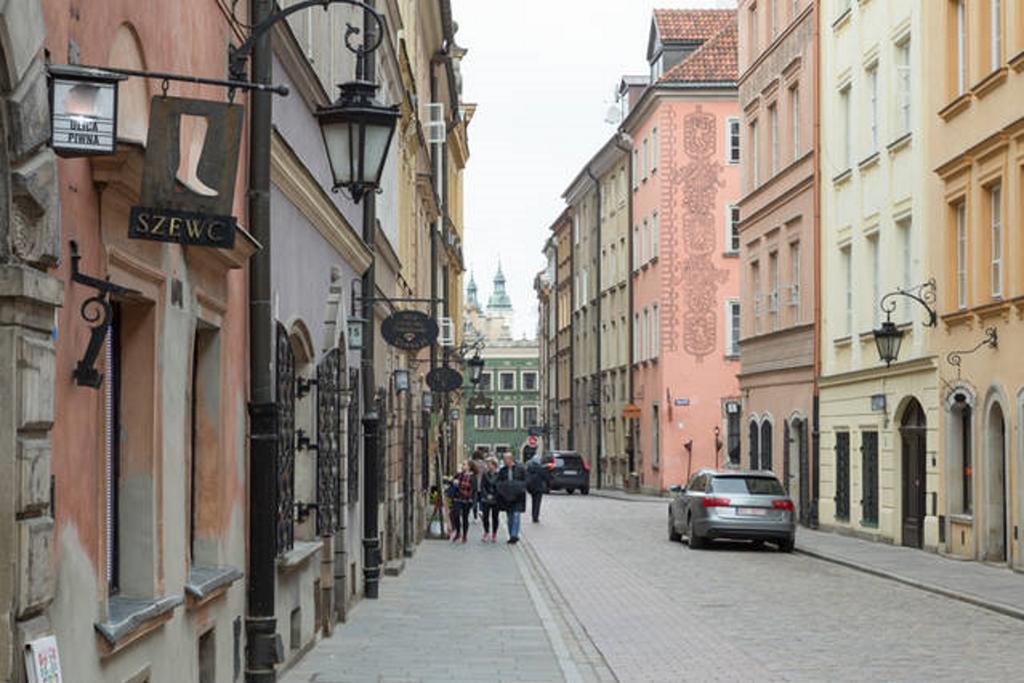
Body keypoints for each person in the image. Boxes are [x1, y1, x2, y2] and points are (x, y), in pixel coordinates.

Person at [495, 452, 527, 544]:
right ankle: (511, 535)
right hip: (507, 497)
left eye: (506, 459)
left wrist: (520, 488)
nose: (504, 461)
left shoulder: (520, 469)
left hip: (518, 497)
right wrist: (502, 490)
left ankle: (514, 535)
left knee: (516, 515)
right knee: (510, 518)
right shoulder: (502, 471)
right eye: (504, 459)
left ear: (510, 459)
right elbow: (498, 482)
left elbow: (525, 480)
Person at [450, 461, 476, 543]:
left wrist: (473, 501)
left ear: (469, 467)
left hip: (467, 499)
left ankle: (464, 535)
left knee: (465, 518)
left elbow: (474, 489)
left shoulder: (473, 477)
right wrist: (454, 482)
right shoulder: (458, 475)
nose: (462, 466)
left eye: (464, 464)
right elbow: (452, 482)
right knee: (456, 515)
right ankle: (458, 532)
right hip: (458, 498)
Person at [478, 457, 500, 542]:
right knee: (485, 517)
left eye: (489, 463)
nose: (487, 465)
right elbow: (482, 486)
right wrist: (486, 495)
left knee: (495, 517)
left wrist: (494, 495)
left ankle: (494, 533)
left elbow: (500, 486)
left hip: (496, 499)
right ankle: (486, 532)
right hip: (486, 498)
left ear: (494, 465)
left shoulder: (499, 474)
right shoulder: (485, 474)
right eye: (487, 463)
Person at [526, 453, 552, 523]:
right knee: (537, 503)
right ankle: (535, 517)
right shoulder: (540, 468)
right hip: (538, 488)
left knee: (533, 501)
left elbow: (526, 476)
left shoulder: (529, 467)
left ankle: (533, 515)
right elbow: (546, 477)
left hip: (531, 487)